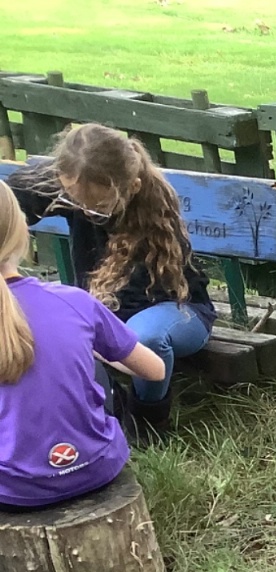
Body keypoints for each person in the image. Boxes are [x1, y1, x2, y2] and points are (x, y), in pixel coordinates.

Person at [4, 122, 215, 436]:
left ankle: (147, 423)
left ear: (131, 187)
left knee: (146, 337)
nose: (86, 212)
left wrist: (80, 328)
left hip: (171, 310)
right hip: (102, 311)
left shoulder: (155, 215)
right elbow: (10, 202)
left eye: (99, 207)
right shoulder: (76, 184)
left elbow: (131, 300)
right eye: (76, 201)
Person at [1, 184, 167, 510]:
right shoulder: (73, 301)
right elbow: (155, 370)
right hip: (96, 468)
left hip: (13, 489)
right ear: (21, 230)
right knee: (96, 370)